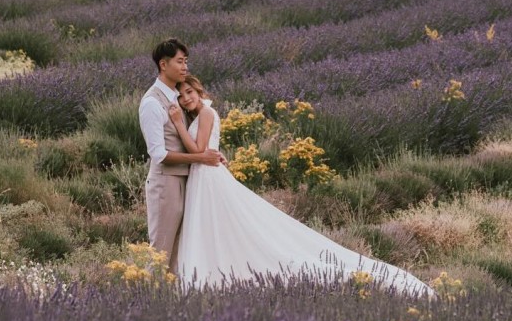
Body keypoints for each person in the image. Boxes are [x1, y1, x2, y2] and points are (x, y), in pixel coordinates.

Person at [169, 74, 434, 297]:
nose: (187, 98)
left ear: (199, 90)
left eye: (190, 92)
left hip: (208, 177)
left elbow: (199, 150)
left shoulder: (205, 113)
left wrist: (179, 125)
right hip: (204, 177)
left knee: (227, 226)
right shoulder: (201, 115)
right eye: (181, 96)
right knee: (218, 226)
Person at [138, 40, 225, 271]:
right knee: (161, 250)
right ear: (163, 64)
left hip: (187, 180)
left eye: (186, 61)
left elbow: (195, 139)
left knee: (180, 250)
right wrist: (201, 158)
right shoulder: (151, 103)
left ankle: (171, 300)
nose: (185, 67)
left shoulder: (179, 98)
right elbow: (158, 154)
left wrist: (213, 153)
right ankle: (148, 298)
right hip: (165, 183)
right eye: (179, 61)